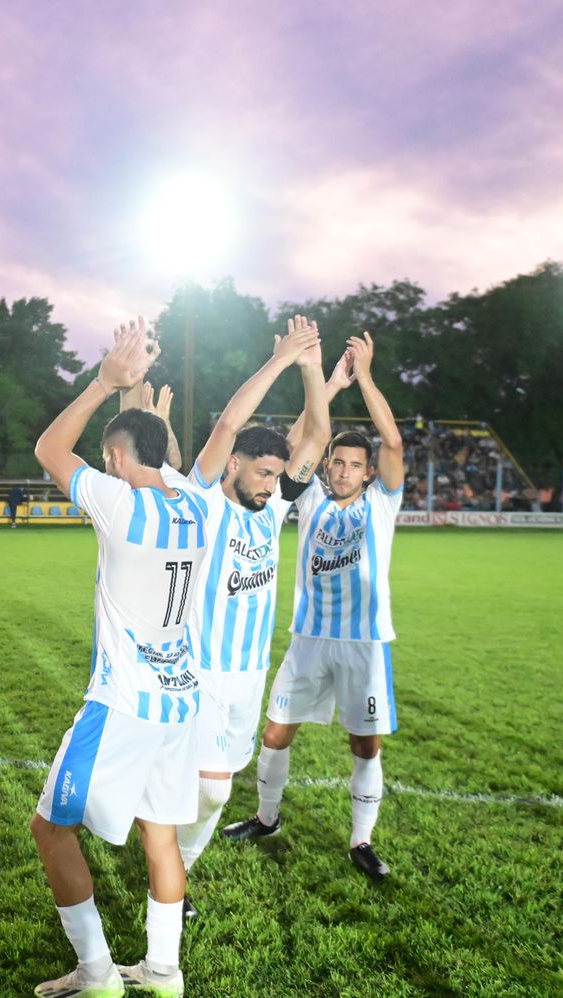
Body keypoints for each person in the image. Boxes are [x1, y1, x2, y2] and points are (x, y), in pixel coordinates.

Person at [29, 318, 208, 997]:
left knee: (50, 830)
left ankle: (98, 974)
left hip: (124, 702)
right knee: (160, 836)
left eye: (110, 460)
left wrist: (108, 381)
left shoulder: (120, 504)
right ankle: (165, 973)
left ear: (116, 460)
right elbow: (165, 463)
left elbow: (51, 447)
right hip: (179, 701)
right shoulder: (192, 503)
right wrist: (144, 416)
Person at [150, 317, 337, 918]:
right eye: (262, 472)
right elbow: (230, 422)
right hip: (199, 669)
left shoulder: (273, 507)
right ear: (233, 465)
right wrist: (281, 360)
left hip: (248, 673)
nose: (271, 484)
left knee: (211, 791)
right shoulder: (205, 499)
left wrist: (313, 370)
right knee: (213, 789)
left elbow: (317, 438)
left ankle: (174, 873)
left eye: (277, 476)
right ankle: (169, 881)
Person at [222, 330, 405, 886]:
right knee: (276, 733)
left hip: (364, 642)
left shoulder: (382, 501)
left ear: (368, 473)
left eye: (354, 464)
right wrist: (327, 383)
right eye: (338, 462)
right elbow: (304, 433)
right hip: (308, 638)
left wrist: (366, 378)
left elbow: (393, 445)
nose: (344, 470)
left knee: (364, 743)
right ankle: (267, 818)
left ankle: (362, 840)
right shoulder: (309, 495)